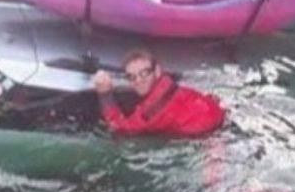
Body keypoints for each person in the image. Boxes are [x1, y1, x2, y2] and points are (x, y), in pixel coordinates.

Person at [92, 49, 225, 137]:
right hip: (218, 114)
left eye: (144, 73)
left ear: (157, 71)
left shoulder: (151, 111)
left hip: (209, 138)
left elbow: (119, 128)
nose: (138, 81)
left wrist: (105, 95)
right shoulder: (170, 86)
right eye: (132, 77)